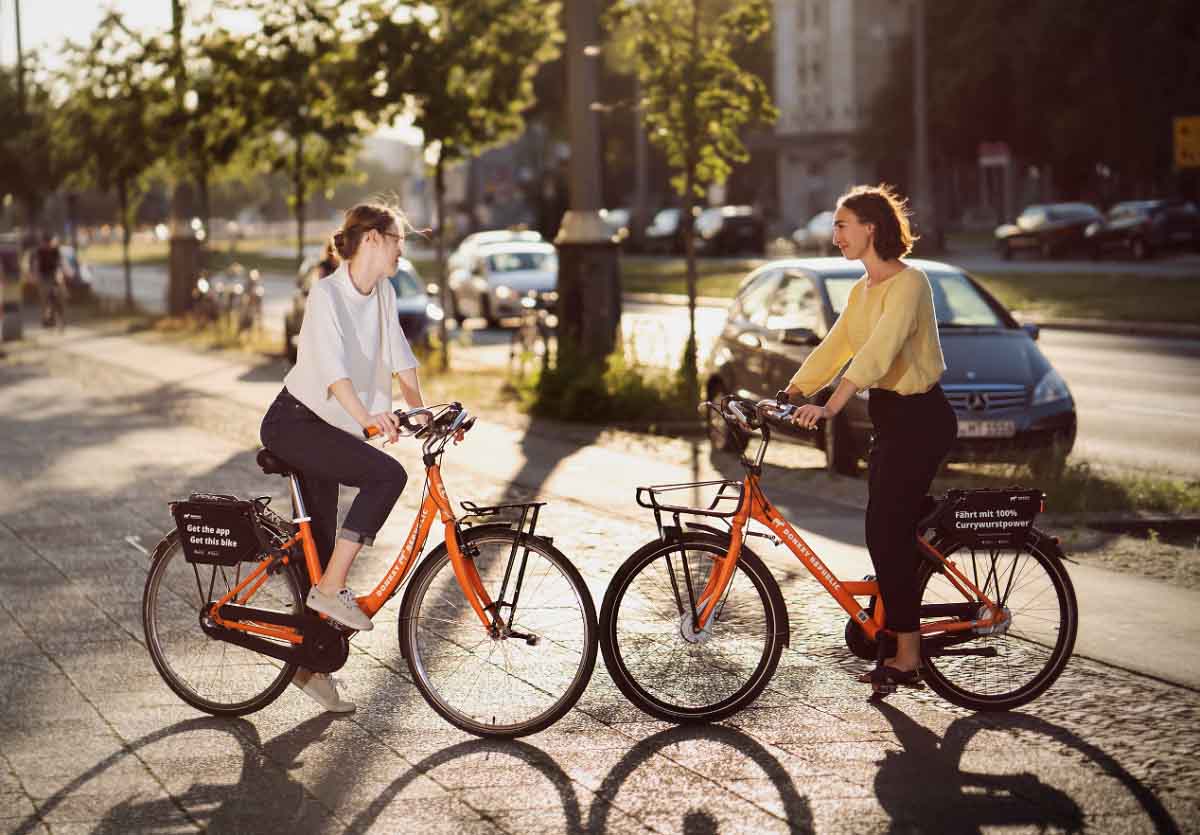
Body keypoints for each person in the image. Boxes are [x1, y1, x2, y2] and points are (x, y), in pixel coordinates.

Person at [782, 184, 957, 691]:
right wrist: (792, 391)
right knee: (888, 529)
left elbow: (878, 353)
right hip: (890, 420)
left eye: (841, 225)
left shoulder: (910, 283)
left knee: (885, 532)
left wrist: (830, 405)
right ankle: (903, 595)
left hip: (922, 419)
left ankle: (907, 656)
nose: (834, 235)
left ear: (870, 229)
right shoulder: (861, 291)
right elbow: (837, 345)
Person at [259, 201, 426, 712]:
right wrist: (371, 417)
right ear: (372, 239)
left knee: (321, 549)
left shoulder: (384, 293)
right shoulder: (327, 294)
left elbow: (399, 354)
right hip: (295, 423)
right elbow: (333, 373)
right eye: (398, 238)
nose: (403, 247)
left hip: (328, 430)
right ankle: (332, 589)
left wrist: (424, 411)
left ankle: (310, 667)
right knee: (386, 476)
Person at [34, 233, 65, 329]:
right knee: (45, 297)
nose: (47, 245)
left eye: (49, 243)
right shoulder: (39, 251)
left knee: (59, 295)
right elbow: (36, 265)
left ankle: (58, 318)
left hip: (54, 275)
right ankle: (45, 318)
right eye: (45, 243)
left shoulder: (55, 250)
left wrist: (60, 274)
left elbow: (60, 263)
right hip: (43, 276)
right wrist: (36, 276)